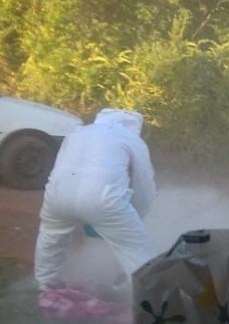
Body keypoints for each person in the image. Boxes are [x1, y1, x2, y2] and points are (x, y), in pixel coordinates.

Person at [34, 108, 157, 291]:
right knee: (136, 250)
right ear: (134, 127)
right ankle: (149, 298)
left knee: (50, 240)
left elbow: (62, 168)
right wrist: (136, 216)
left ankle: (46, 287)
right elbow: (143, 185)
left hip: (57, 195)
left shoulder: (75, 134)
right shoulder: (131, 139)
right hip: (103, 201)